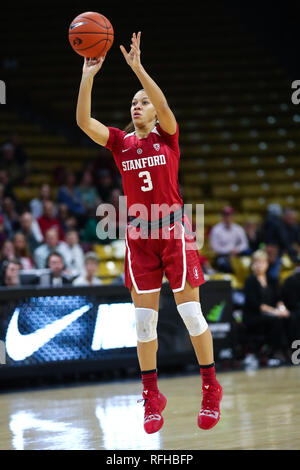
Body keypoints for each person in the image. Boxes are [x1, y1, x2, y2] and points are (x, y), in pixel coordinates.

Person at [76, 31, 222, 434]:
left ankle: (210, 387)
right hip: (139, 239)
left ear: (154, 112)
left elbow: (162, 103)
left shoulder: (168, 137)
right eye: (133, 103)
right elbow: (84, 121)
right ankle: (151, 396)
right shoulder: (121, 144)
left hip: (173, 230)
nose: (137, 107)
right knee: (143, 324)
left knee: (192, 313)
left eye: (143, 103)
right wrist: (88, 75)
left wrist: (138, 69)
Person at [243, 250, 291, 363]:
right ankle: (274, 352)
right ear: (253, 264)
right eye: (257, 262)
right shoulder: (250, 281)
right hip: (254, 315)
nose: (260, 265)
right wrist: (275, 312)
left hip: (271, 313)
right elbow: (255, 304)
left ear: (267, 264)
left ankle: (289, 349)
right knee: (276, 320)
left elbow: (278, 298)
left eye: (262, 262)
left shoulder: (271, 279)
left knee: (290, 317)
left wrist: (282, 309)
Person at [209, 206, 249, 273]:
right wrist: (230, 250)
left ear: (233, 216)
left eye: (229, 215)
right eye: (225, 215)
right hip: (223, 255)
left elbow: (245, 244)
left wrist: (237, 249)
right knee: (225, 265)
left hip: (238, 254)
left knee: (249, 256)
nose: (228, 217)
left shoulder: (238, 228)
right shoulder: (216, 229)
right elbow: (214, 247)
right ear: (222, 216)